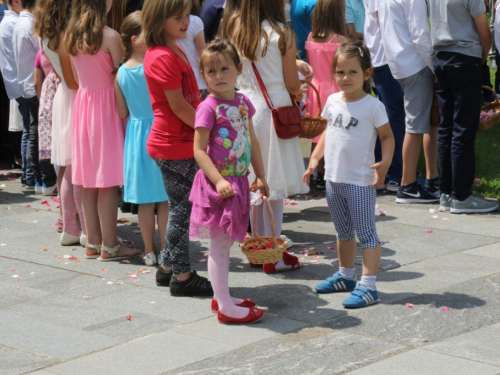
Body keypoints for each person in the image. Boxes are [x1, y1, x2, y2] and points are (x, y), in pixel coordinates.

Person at [303, 40, 394, 308]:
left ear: (366, 74)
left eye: (353, 72)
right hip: (333, 180)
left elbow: (387, 137)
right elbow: (327, 133)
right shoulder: (331, 101)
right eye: (340, 72)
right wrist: (314, 161)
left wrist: (385, 162)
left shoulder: (372, 106)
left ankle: (369, 286)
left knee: (366, 234)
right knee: (343, 232)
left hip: (359, 182)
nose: (345, 78)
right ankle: (345, 276)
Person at [190, 40, 269, 323]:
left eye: (225, 69)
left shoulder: (241, 102)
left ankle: (221, 295)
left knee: (226, 244)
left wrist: (259, 174)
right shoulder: (208, 107)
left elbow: (251, 141)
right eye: (211, 71)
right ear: (203, 75)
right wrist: (218, 180)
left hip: (237, 181)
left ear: (238, 69)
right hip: (218, 186)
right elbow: (199, 150)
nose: (219, 76)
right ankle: (224, 305)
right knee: (220, 245)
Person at [232, 0, 309, 273]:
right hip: (275, 106)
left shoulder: (237, 26)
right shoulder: (283, 33)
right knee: (273, 185)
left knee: (255, 181)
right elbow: (290, 82)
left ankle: (259, 249)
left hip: (244, 105)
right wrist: (301, 84)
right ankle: (272, 254)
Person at [142, 0, 212, 296]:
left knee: (181, 207)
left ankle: (168, 268)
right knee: (182, 210)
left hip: (177, 140)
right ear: (158, 20)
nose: (185, 22)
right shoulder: (162, 56)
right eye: (177, 17)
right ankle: (182, 277)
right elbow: (179, 106)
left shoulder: (173, 48)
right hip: (174, 142)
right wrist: (208, 130)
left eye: (186, 16)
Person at [65, 0, 142, 261]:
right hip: (106, 108)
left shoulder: (71, 35)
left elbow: (75, 78)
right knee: (107, 181)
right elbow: (123, 75)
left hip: (84, 107)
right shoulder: (109, 36)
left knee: (89, 180)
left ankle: (93, 241)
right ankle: (110, 245)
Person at [429, 0, 498, 214]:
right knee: (463, 129)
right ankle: (461, 195)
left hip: (441, 59)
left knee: (446, 128)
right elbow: (484, 33)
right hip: (465, 57)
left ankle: (447, 193)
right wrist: (482, 57)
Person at [114, 11, 169, 266]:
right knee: (164, 198)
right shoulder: (155, 67)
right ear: (136, 39)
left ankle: (149, 250)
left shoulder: (121, 73)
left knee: (146, 201)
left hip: (136, 137)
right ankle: (166, 248)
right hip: (161, 132)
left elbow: (122, 112)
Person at [377, 0, 440, 204]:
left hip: (399, 62)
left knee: (425, 121)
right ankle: (408, 184)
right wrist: (435, 66)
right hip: (415, 63)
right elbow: (420, 34)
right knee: (415, 126)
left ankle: (430, 180)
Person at [36, 0, 87, 244]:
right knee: (76, 168)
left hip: (62, 97)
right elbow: (73, 80)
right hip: (74, 97)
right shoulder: (68, 34)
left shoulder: (46, 34)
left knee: (67, 167)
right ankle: (84, 228)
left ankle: (69, 226)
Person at [13, 0, 57, 194]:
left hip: (27, 84)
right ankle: (38, 177)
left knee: (31, 132)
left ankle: (32, 176)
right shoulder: (30, 25)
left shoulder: (19, 23)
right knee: (36, 133)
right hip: (34, 86)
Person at [305, 0, 348, 190]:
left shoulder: (310, 36)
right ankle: (332, 171)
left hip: (314, 90)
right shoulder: (341, 41)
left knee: (317, 132)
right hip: (333, 90)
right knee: (334, 132)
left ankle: (317, 173)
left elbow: (308, 67)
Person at [363, 0, 405, 192]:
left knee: (384, 116)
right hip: (385, 57)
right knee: (394, 116)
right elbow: (387, 23)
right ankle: (395, 174)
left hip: (379, 56)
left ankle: (383, 172)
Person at [0, 0, 24, 175]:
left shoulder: (12, 22)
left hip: (16, 80)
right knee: (28, 130)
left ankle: (26, 167)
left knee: (26, 129)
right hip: (19, 81)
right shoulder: (14, 23)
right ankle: (28, 168)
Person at [176, 1, 207, 97]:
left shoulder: (162, 24)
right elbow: (203, 54)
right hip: (197, 83)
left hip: (177, 85)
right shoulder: (195, 21)